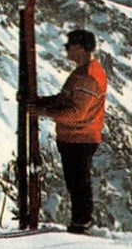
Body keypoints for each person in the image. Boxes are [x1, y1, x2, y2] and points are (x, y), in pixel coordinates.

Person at [34, 28, 107, 233]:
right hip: (77, 136)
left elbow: (76, 112)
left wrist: (43, 110)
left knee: (78, 182)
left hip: (79, 137)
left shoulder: (87, 77)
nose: (66, 49)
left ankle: (81, 224)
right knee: (77, 181)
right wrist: (42, 103)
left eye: (69, 45)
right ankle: (80, 222)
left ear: (80, 47)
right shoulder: (84, 72)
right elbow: (66, 99)